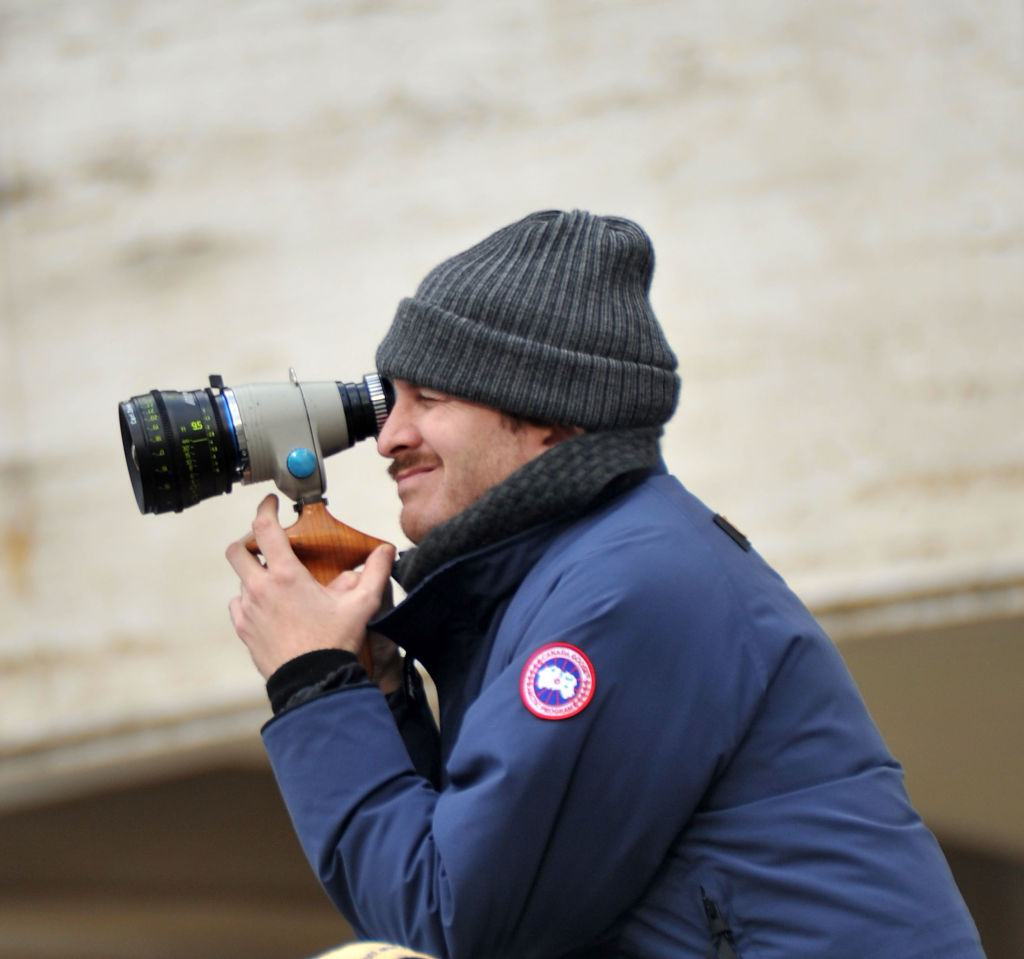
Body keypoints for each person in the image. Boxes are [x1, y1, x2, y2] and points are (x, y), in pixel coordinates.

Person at [226, 210, 985, 959]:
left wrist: (314, 682)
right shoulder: (569, 578)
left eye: (432, 397)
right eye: (392, 397)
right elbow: (463, 873)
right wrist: (375, 685)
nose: (389, 435)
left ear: (554, 417)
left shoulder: (626, 591)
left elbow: (452, 923)